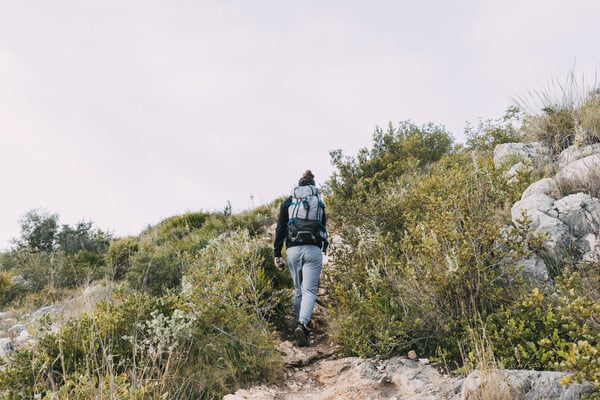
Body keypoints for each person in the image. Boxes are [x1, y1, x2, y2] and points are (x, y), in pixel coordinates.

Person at [273, 170, 327, 347]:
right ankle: (302, 325)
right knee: (309, 291)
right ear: (312, 186)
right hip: (312, 250)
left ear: (299, 185)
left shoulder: (289, 202)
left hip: (293, 250)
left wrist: (276, 254)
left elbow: (280, 229)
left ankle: (298, 325)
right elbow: (322, 227)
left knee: (298, 290)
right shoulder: (318, 203)